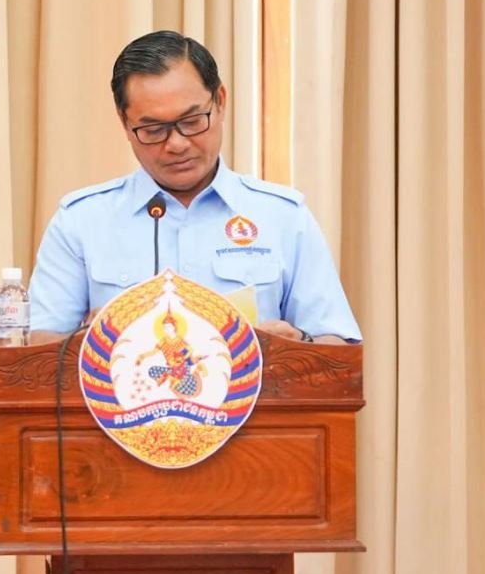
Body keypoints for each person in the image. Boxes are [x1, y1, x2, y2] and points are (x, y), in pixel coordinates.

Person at [28, 30, 361, 345]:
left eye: (191, 122)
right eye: (153, 130)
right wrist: (88, 343)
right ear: (124, 123)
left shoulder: (282, 216)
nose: (176, 144)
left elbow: (338, 347)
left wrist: (299, 343)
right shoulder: (81, 221)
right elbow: (36, 350)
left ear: (220, 101)